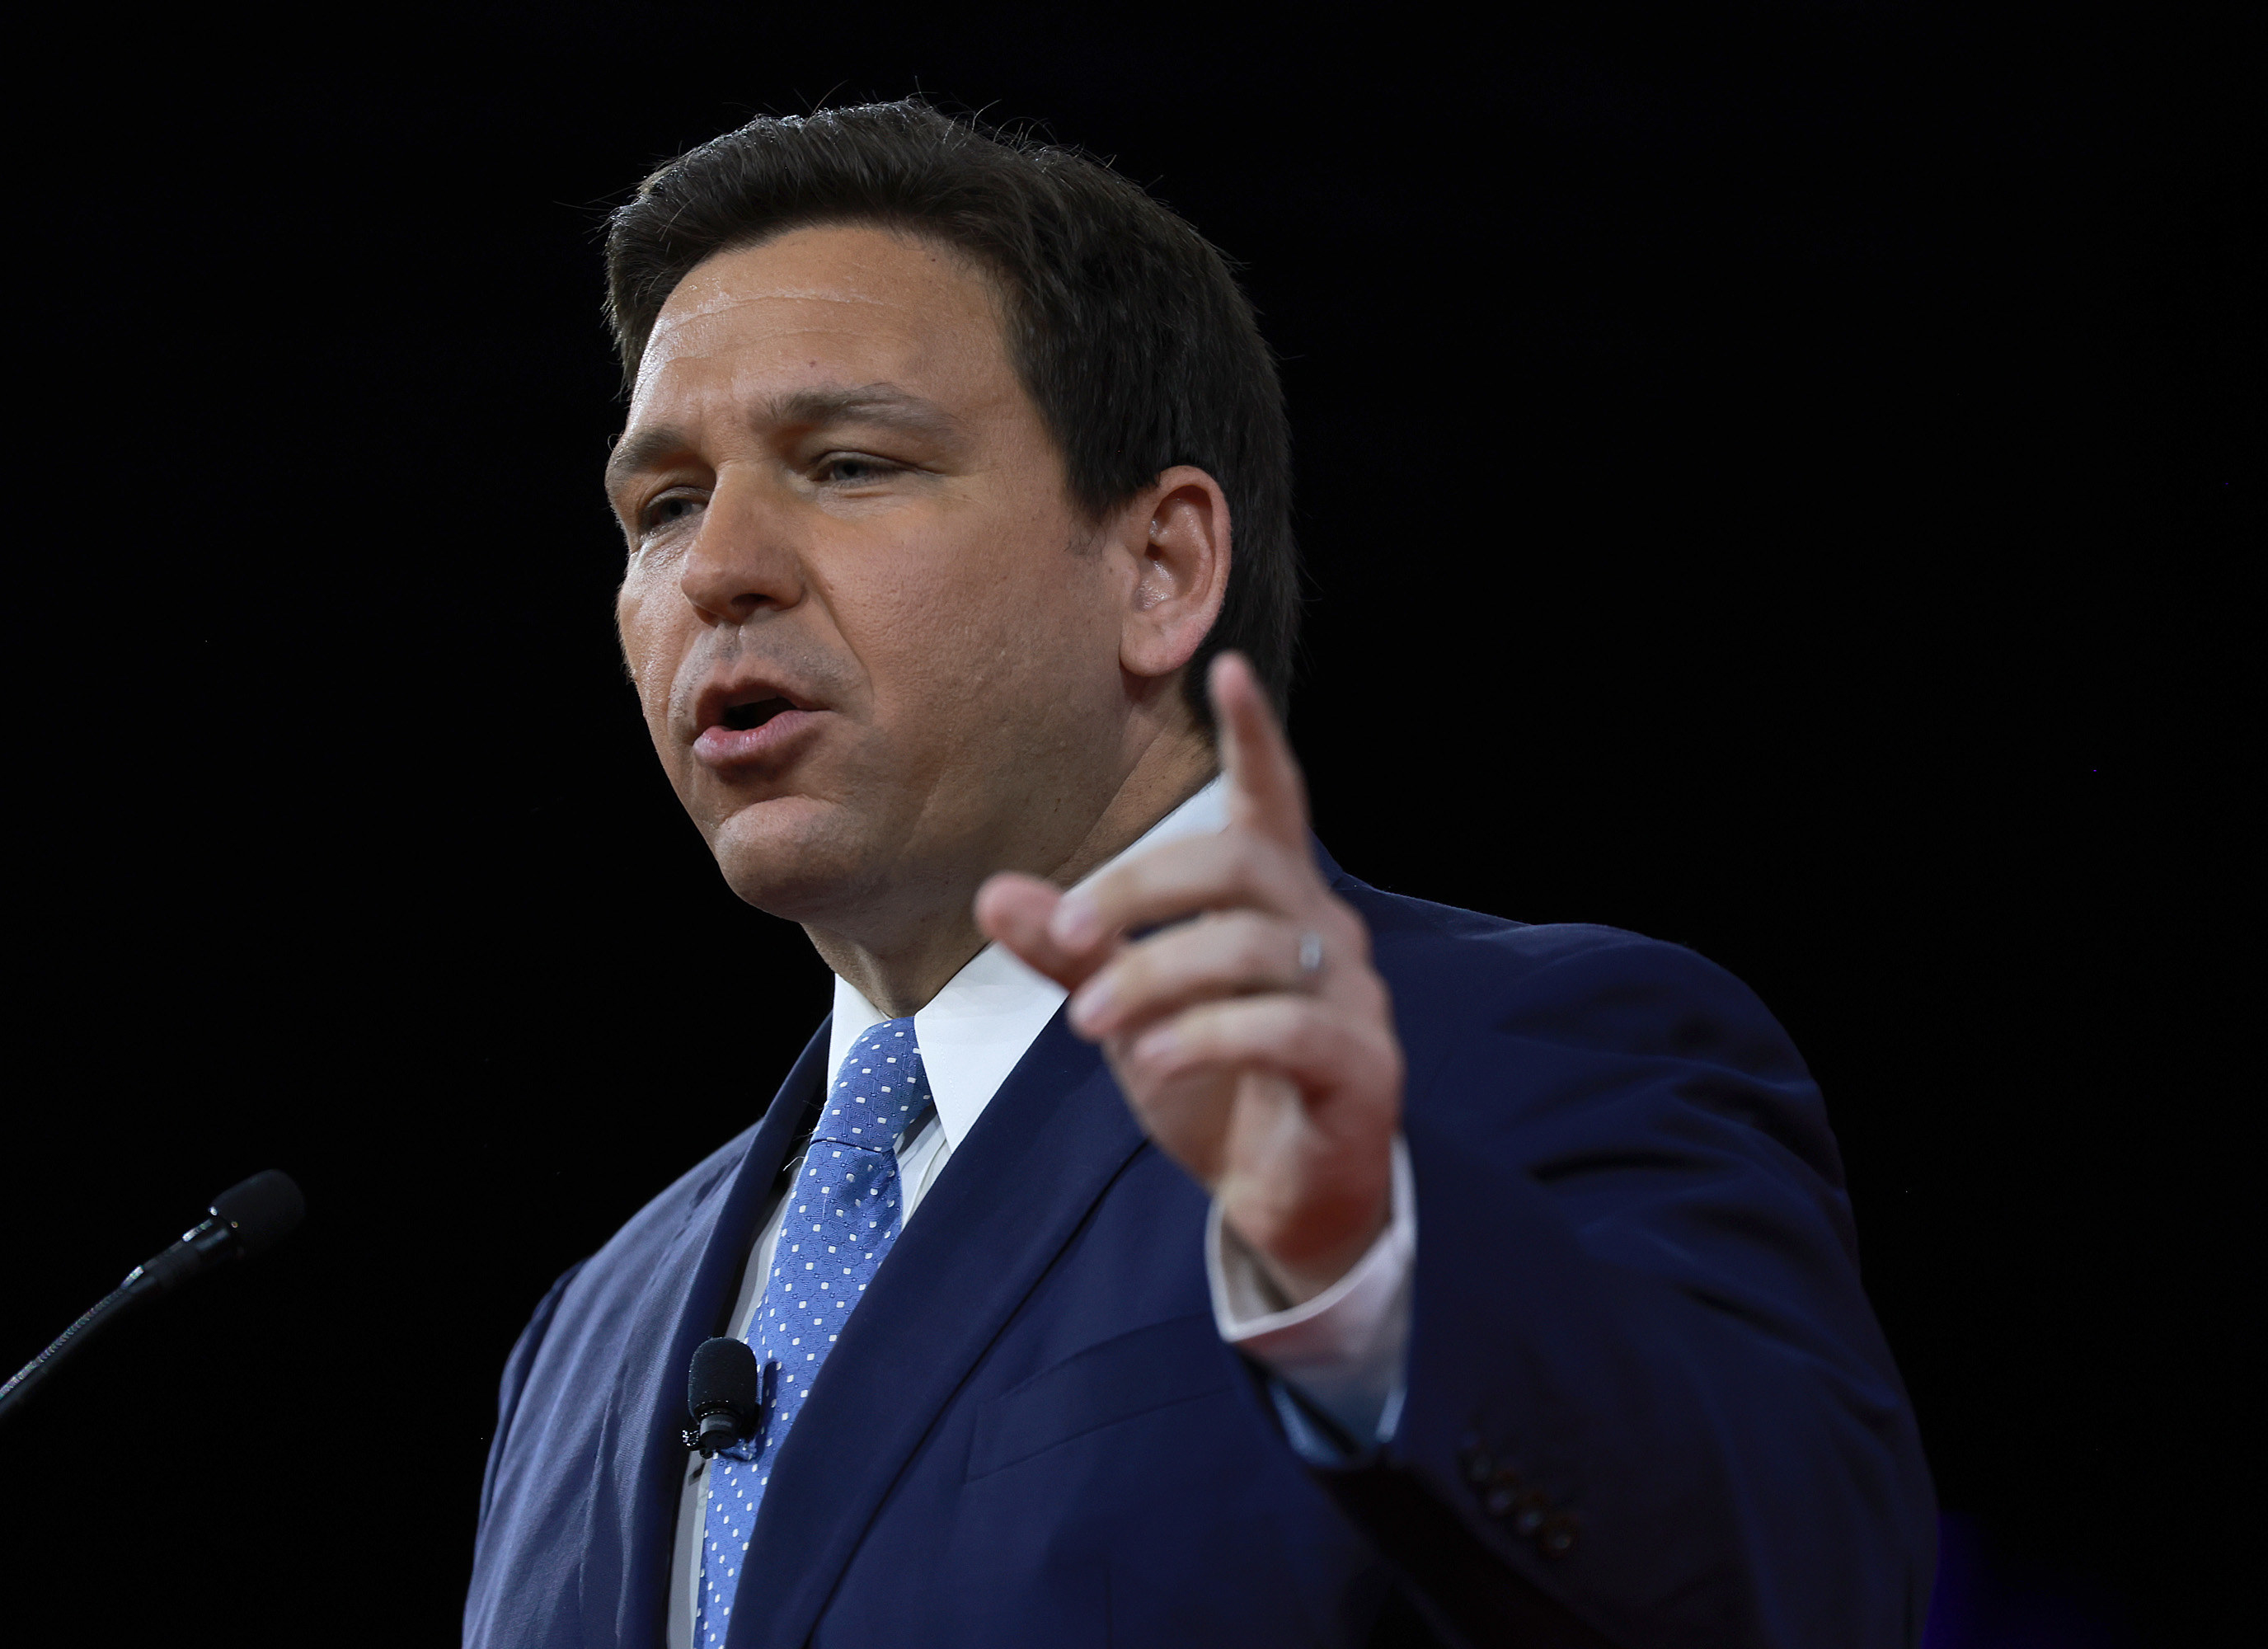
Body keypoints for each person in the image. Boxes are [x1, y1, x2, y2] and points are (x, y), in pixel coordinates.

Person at [462, 101, 1935, 1649]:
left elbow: (1793, 1598)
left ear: (1159, 569)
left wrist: (1368, 1269)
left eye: (847, 463)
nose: (716, 567)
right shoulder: (596, 1328)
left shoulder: (1521, 1065)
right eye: (665, 505)